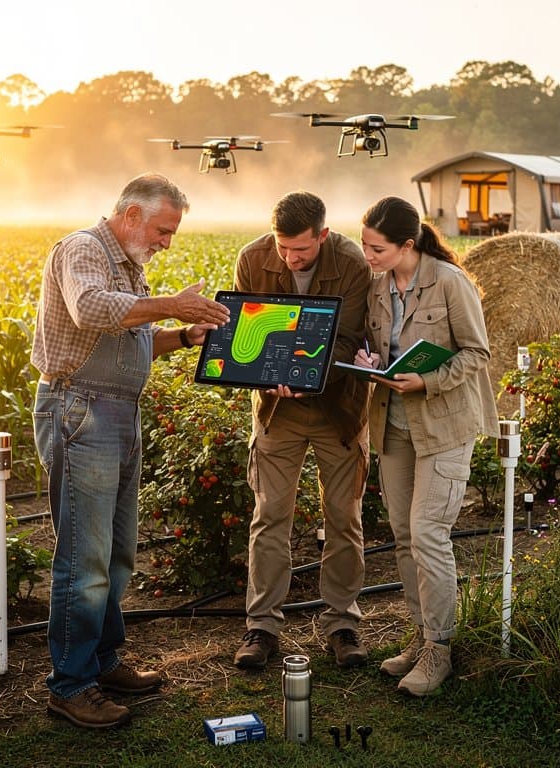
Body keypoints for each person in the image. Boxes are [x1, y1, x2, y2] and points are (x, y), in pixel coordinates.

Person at [31, 172, 230, 729]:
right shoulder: (83, 250)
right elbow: (91, 310)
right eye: (165, 230)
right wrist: (172, 306)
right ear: (133, 215)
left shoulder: (131, 267)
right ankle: (70, 686)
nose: (168, 241)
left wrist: (182, 336)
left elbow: (131, 337)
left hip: (118, 411)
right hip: (81, 409)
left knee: (117, 553)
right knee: (84, 558)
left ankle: (101, 661)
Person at [354, 196, 499, 696]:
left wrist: (427, 381)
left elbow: (477, 354)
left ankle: (440, 649)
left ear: (406, 245)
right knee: (403, 533)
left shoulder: (450, 283)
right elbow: (380, 347)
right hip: (393, 424)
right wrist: (370, 360)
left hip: (444, 425)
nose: (367, 254)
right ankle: (420, 637)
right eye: (365, 244)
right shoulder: (377, 288)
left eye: (376, 248)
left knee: (428, 531)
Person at [232, 190, 373, 671]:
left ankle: (342, 623)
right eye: (283, 248)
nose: (290, 259)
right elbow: (245, 336)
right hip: (276, 410)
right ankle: (262, 626)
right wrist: (265, 373)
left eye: (302, 251)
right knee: (270, 514)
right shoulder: (252, 258)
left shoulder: (353, 263)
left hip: (340, 408)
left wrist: (301, 373)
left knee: (344, 516)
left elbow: (350, 338)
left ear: (324, 236)